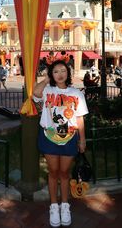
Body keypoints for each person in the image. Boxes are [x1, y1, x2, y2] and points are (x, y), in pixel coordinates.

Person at [33, 60, 88, 227]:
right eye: (55, 71)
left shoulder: (76, 93)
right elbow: (34, 94)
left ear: (68, 73)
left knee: (64, 173)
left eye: (63, 70)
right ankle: (53, 206)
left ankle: (65, 205)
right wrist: (45, 80)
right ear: (51, 74)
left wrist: (82, 139)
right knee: (53, 172)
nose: (60, 74)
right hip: (49, 137)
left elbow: (79, 118)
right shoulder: (47, 90)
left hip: (69, 138)